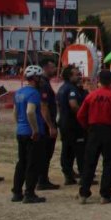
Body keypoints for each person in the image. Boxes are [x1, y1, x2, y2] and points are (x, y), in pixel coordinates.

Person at [76, 70, 111, 204]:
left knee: (90, 162)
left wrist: (87, 128)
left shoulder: (91, 96)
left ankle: (83, 193)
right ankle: (105, 194)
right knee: (109, 163)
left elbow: (80, 115)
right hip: (110, 130)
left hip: (94, 129)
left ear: (99, 80)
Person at [12, 65, 47, 204]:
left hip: (21, 131)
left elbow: (15, 112)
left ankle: (16, 192)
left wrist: (19, 125)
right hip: (32, 133)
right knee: (33, 163)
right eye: (40, 78)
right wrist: (35, 129)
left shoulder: (19, 92)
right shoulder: (34, 93)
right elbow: (30, 111)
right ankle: (29, 193)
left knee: (22, 162)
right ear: (35, 78)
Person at [57, 65, 86, 185]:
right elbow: (73, 105)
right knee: (79, 150)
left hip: (64, 122)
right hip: (73, 124)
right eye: (77, 74)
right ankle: (83, 175)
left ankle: (68, 174)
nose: (79, 76)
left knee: (67, 149)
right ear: (70, 76)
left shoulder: (62, 88)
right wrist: (83, 116)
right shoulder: (72, 89)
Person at [37, 56, 61, 190]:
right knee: (46, 152)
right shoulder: (44, 84)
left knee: (46, 153)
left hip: (47, 123)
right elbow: (44, 106)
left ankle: (42, 178)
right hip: (47, 124)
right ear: (46, 68)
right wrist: (50, 126)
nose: (55, 69)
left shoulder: (44, 83)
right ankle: (42, 180)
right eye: (52, 67)